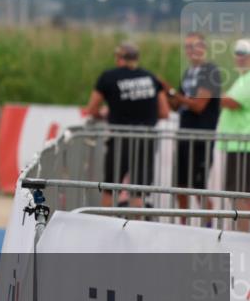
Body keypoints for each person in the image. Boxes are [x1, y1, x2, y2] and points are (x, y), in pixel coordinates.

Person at [85, 42, 170, 207]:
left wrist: (104, 114)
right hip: (146, 138)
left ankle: (107, 227)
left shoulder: (108, 77)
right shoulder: (151, 78)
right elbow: (165, 112)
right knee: (137, 190)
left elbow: (92, 108)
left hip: (120, 137)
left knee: (110, 188)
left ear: (119, 58)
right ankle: (136, 227)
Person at [167, 32, 223, 212]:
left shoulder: (210, 71)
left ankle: (208, 227)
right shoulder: (188, 72)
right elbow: (176, 105)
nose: (190, 51)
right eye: (187, 47)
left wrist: (178, 96)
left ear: (203, 48)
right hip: (184, 136)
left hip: (201, 138)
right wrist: (168, 94)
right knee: (180, 187)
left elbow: (199, 105)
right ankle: (184, 226)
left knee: (199, 189)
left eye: (194, 46)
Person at [221, 40, 250, 229]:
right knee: (239, 194)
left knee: (241, 195)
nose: (239, 58)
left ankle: (244, 242)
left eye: (244, 54)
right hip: (238, 144)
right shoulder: (243, 78)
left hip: (243, 145)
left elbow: (232, 102)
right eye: (237, 53)